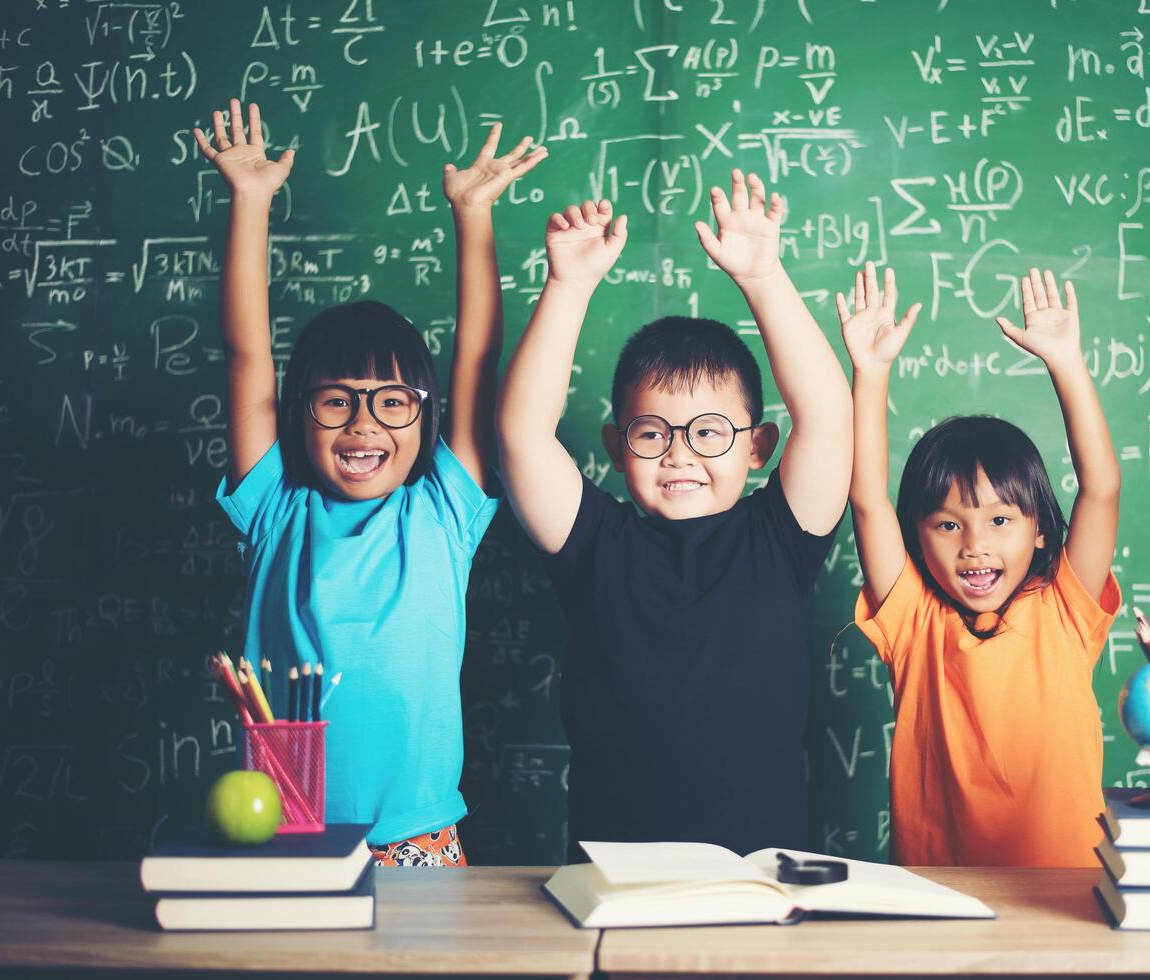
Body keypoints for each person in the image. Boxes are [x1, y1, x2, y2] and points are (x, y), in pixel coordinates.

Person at [195, 98, 544, 866]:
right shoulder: (274, 509)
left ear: (424, 418)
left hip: (415, 838)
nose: (364, 425)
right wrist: (249, 202)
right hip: (283, 828)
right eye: (336, 401)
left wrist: (473, 216)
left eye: (392, 403)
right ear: (299, 414)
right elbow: (247, 356)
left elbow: (477, 359)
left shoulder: (443, 510)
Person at [496, 172, 853, 860]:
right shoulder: (592, 542)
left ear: (758, 447)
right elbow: (521, 436)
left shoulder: (779, 538)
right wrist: (567, 287)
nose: (679, 454)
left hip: (762, 880)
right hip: (612, 880)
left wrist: (763, 277)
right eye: (652, 432)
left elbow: (830, 417)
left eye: (709, 431)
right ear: (616, 446)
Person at [842, 263, 1121, 867]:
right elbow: (866, 497)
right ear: (917, 536)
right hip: (943, 904)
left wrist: (1066, 363)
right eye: (947, 524)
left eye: (1000, 520)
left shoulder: (1066, 612)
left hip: (1065, 901)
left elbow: (1101, 489)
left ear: (1041, 528)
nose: (974, 544)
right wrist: (871, 372)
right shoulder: (913, 622)